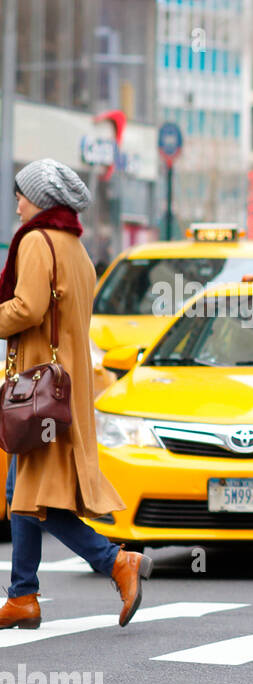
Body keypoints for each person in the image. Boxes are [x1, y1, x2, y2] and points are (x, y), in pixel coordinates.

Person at [0, 159, 151, 630]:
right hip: (66, 388)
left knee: (32, 497)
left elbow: (28, 307)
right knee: (24, 491)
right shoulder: (76, 248)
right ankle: (23, 595)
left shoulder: (36, 243)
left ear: (41, 200)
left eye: (22, 193)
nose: (17, 201)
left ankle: (112, 561)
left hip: (41, 390)